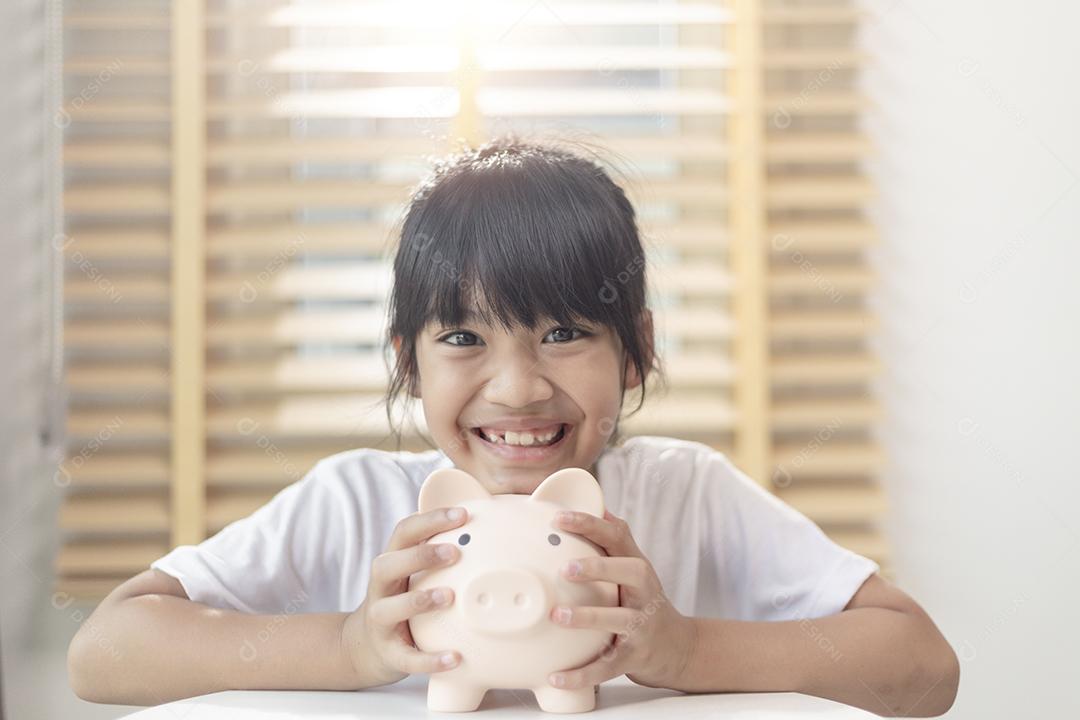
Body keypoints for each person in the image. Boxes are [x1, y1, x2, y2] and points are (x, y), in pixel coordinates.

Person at [68, 138, 958, 715]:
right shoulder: (351, 502)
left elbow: (923, 668)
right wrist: (351, 645)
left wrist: (685, 648)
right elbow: (106, 654)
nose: (517, 386)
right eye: (463, 337)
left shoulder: (688, 494)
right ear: (408, 360)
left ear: (635, 350)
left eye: (565, 333)